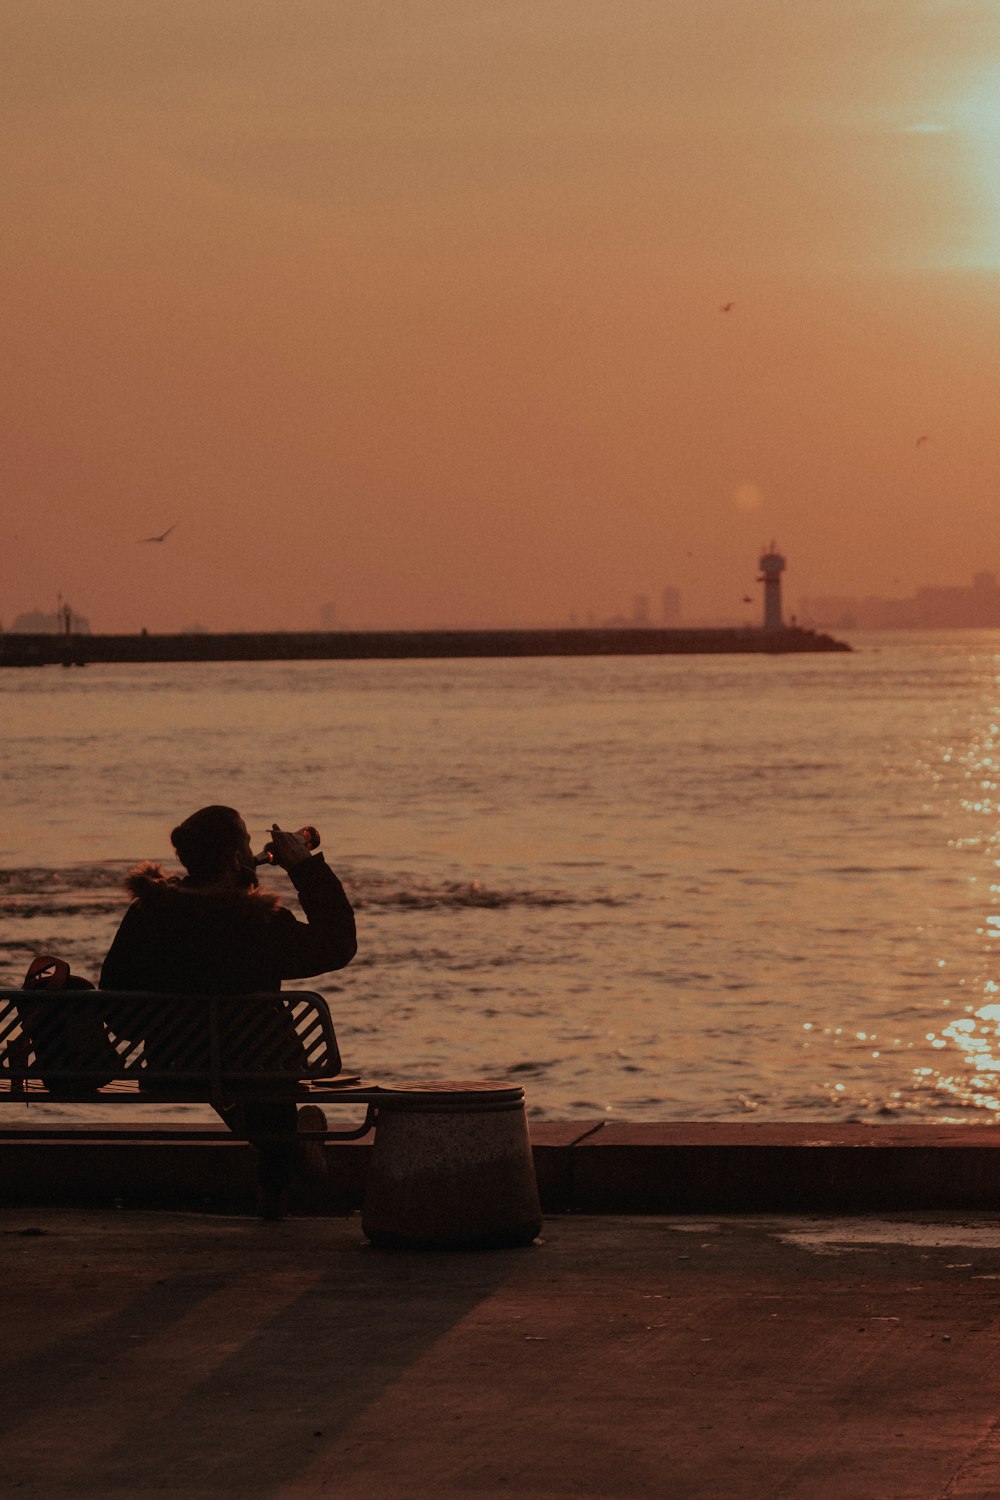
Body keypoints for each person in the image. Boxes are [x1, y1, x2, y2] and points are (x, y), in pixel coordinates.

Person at [100, 805, 357, 1218]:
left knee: (253, 1057)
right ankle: (280, 1172)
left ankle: (286, 1155)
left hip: (172, 1069)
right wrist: (305, 870)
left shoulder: (147, 914)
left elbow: (118, 1014)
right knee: (264, 1054)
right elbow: (338, 945)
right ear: (237, 859)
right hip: (259, 1072)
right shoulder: (259, 922)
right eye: (248, 844)